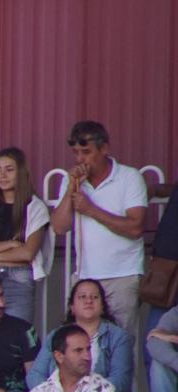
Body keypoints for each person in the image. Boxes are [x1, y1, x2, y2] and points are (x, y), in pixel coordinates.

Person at [49, 120, 149, 334]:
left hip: (122, 276)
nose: (80, 159)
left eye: (86, 152)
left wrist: (90, 209)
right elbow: (59, 227)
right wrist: (71, 188)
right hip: (86, 275)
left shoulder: (129, 177)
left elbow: (135, 228)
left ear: (104, 149)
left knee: (121, 343)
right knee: (82, 343)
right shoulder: (74, 180)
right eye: (76, 153)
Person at [26, 277, 135, 392]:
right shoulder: (55, 335)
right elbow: (35, 375)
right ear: (72, 307)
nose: (88, 301)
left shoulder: (118, 337)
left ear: (103, 306)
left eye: (94, 297)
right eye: (82, 297)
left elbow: (121, 380)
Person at [0, 147, 53, 327]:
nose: (2, 175)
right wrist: (11, 244)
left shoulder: (35, 207)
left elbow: (27, 253)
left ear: (21, 172)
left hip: (19, 277)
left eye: (9, 169)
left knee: (18, 335)